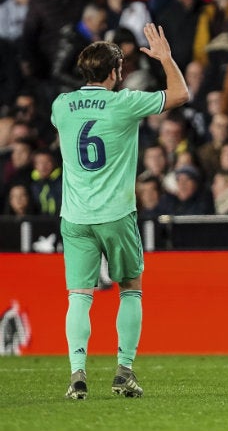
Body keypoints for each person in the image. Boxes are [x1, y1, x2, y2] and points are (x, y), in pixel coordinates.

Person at [52, 23, 189, 399]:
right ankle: (123, 371)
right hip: (116, 214)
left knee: (79, 296)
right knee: (130, 290)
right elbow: (180, 94)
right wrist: (166, 58)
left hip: (75, 217)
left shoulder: (60, 106)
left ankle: (77, 374)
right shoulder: (125, 102)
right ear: (115, 72)